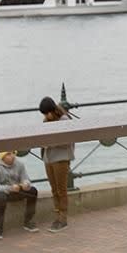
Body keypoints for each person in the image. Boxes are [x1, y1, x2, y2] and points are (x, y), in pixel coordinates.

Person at [39, 96, 75, 233]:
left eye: (47, 113)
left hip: (61, 159)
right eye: (44, 114)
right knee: (54, 189)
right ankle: (57, 216)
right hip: (49, 158)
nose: (46, 116)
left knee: (61, 189)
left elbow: (67, 141)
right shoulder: (46, 121)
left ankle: (63, 218)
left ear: (53, 110)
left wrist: (49, 143)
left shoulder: (64, 120)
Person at [0, 150, 39, 239]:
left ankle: (28, 221)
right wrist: (10, 188)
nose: (12, 156)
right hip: (2, 192)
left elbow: (25, 178)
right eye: (8, 154)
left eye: (13, 154)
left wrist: (26, 184)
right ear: (2, 157)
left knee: (33, 191)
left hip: (17, 190)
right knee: (0, 198)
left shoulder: (20, 164)